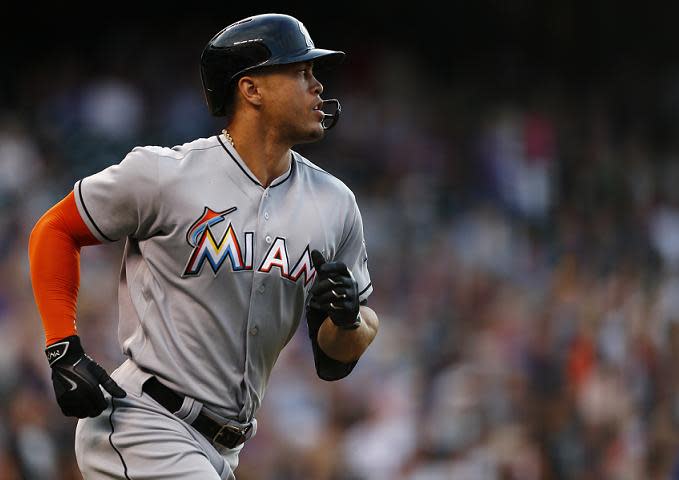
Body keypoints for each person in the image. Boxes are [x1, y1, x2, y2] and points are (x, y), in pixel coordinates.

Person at [28, 13, 378, 480]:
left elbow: (336, 358)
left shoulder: (335, 204)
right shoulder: (165, 174)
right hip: (146, 423)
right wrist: (62, 349)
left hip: (223, 449)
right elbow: (53, 229)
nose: (317, 85)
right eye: (301, 72)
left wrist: (349, 319)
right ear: (250, 89)